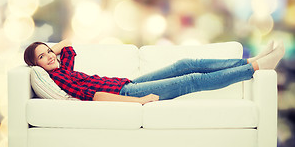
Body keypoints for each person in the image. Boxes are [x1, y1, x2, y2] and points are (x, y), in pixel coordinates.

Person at [24, 39, 285, 105]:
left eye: (48, 52)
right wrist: (138, 101)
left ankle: (249, 61)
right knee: (191, 80)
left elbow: (67, 46)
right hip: (127, 91)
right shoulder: (58, 79)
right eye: (42, 57)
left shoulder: (61, 68)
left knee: (184, 64)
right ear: (36, 66)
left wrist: (50, 50)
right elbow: (97, 97)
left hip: (128, 82)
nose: (49, 57)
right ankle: (255, 68)